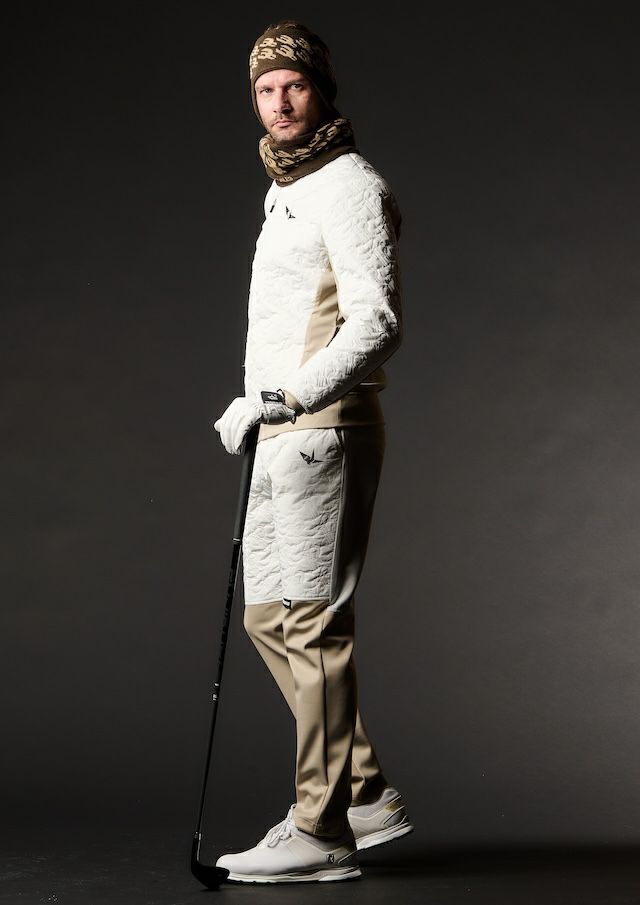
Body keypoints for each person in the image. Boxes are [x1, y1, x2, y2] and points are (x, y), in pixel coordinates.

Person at [212, 20, 412, 884]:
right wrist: (263, 410)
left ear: (321, 90)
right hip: (274, 434)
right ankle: (361, 789)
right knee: (270, 618)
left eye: (294, 85)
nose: (279, 102)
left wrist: (287, 396)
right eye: (265, 89)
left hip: (322, 430)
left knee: (314, 624)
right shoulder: (285, 187)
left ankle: (320, 827)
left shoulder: (349, 184)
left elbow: (376, 321)